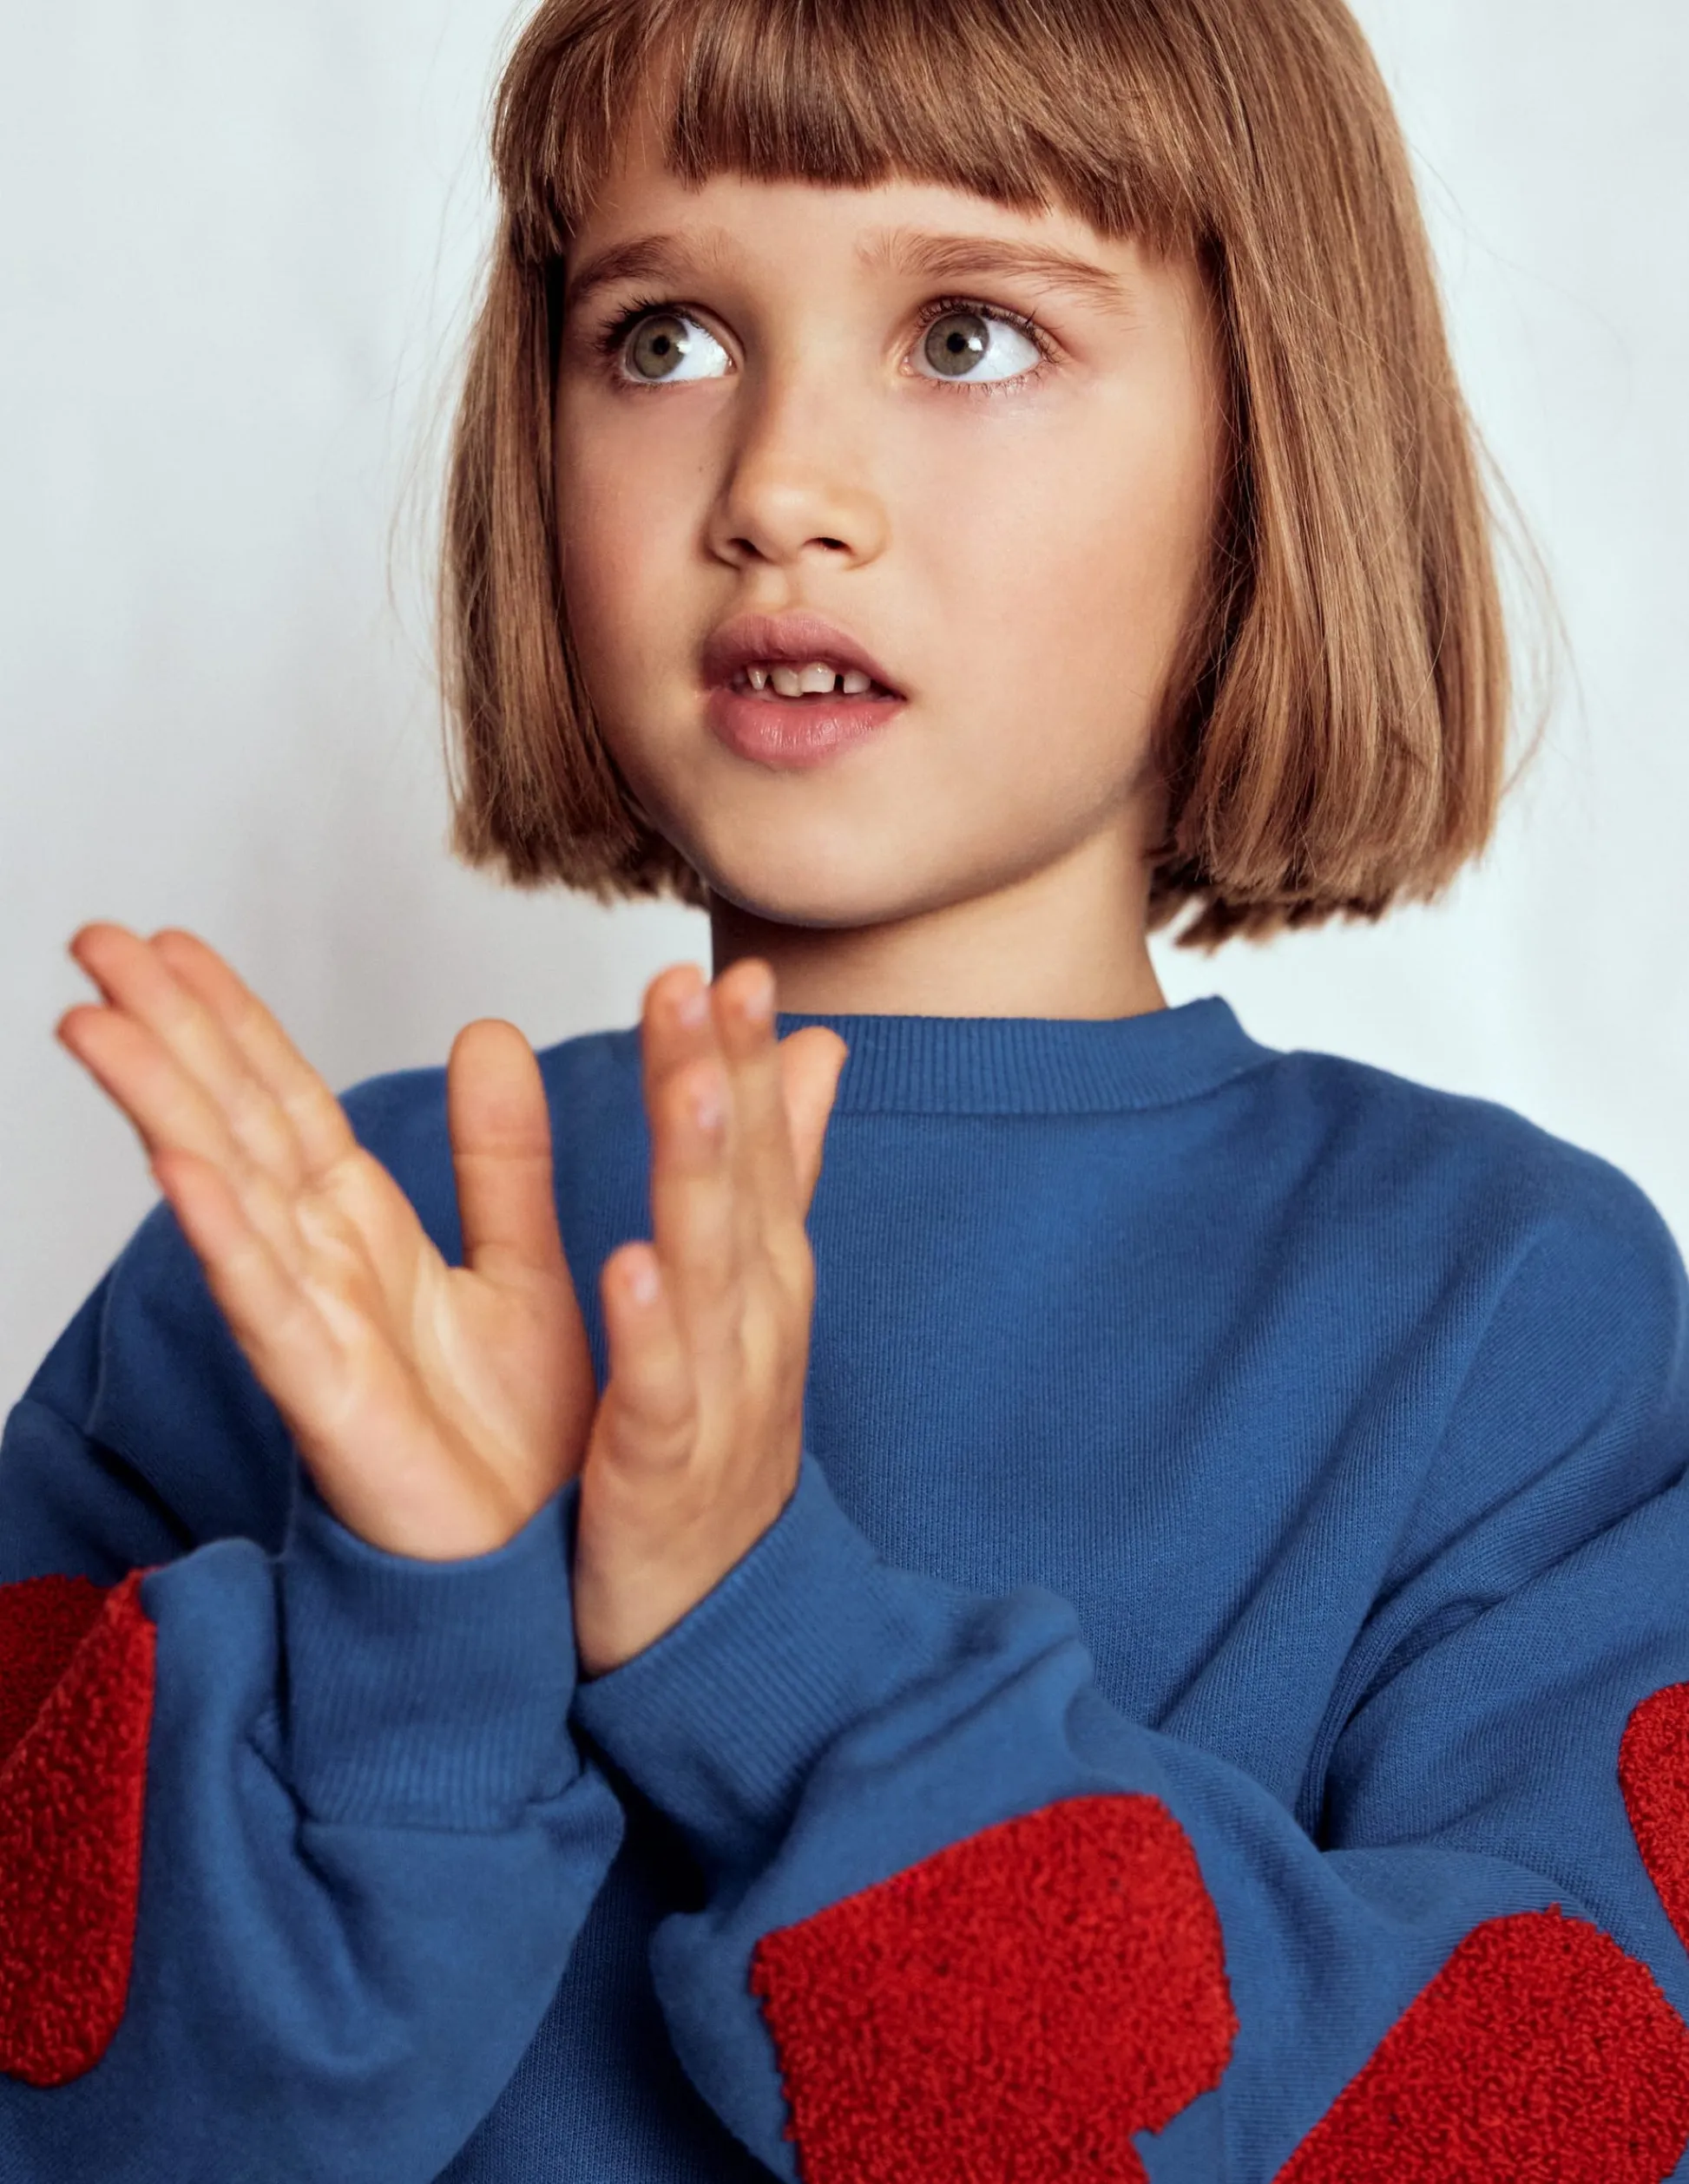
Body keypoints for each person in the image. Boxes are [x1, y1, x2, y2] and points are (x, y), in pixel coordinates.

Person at [3, 0, 1688, 2177]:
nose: (776, 488)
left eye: (970, 336)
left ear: (1268, 441)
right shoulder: (299, 1260)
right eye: (665, 339)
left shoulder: (1509, 1311)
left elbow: (1543, 2119)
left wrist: (761, 1645)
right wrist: (419, 1628)